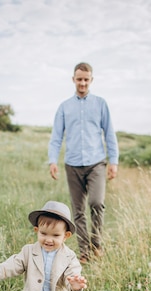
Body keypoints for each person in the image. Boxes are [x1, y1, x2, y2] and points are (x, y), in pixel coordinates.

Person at [48, 62, 119, 264]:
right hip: (73, 165)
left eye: (86, 79)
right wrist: (52, 160)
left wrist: (114, 161)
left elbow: (110, 134)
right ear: (73, 79)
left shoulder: (100, 104)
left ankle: (97, 244)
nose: (82, 83)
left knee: (96, 203)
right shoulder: (64, 107)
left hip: (96, 163)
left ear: (91, 80)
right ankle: (84, 252)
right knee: (78, 211)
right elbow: (56, 137)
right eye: (79, 79)